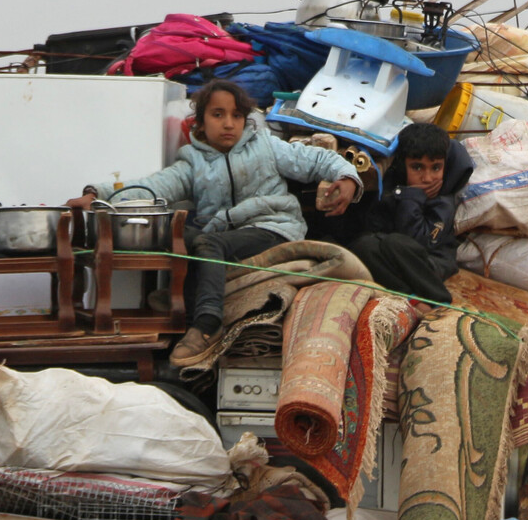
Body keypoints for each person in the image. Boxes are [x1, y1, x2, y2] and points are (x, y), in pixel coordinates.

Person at [69, 79, 361, 367]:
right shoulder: (192, 162)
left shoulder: (267, 147)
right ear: (200, 121)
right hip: (222, 237)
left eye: (236, 115)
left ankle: (207, 324)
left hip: (272, 228)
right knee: (181, 233)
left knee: (207, 243)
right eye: (217, 114)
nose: (228, 123)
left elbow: (316, 159)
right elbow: (152, 187)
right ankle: (182, 317)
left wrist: (347, 176)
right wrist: (98, 195)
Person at [340, 122, 473, 304]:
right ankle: (410, 296)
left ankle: (437, 298)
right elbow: (373, 227)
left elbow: (419, 241)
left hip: (428, 264)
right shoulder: (393, 187)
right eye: (417, 167)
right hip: (392, 260)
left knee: (396, 242)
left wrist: (412, 196)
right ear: (403, 167)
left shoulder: (443, 203)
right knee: (363, 246)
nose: (427, 178)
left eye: (436, 168)